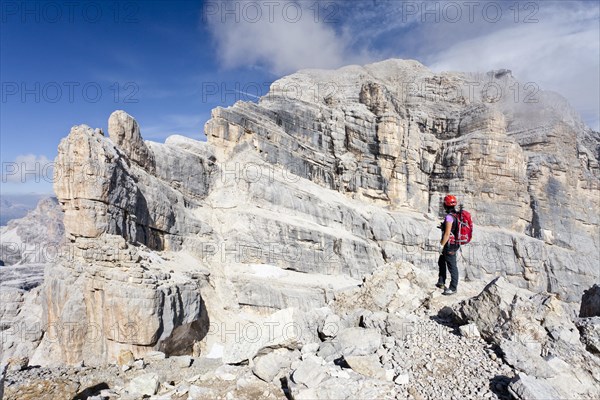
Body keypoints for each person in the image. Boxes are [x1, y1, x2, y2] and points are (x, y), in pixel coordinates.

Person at [437, 194, 460, 295]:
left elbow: (447, 234)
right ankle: (441, 282)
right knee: (441, 260)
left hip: (449, 244)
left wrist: (441, 245)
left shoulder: (449, 217)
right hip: (453, 243)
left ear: (446, 205)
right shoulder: (456, 215)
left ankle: (453, 288)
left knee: (452, 266)